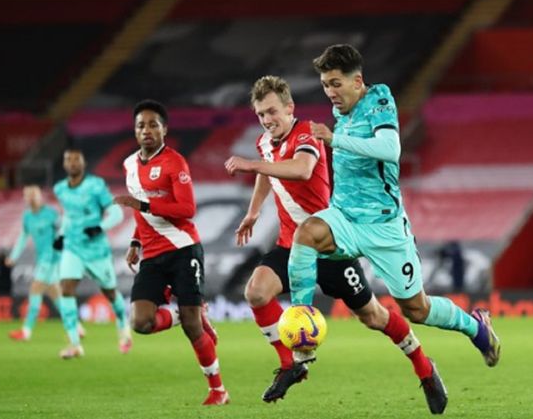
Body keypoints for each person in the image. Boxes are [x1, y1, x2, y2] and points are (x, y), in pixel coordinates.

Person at [286, 44, 501, 415]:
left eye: (335, 83)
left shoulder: (379, 99)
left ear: (358, 81)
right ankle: (302, 328)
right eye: (324, 85)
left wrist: (334, 139)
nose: (330, 93)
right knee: (305, 234)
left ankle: (475, 326)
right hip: (344, 218)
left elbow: (390, 149)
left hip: (385, 226)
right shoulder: (341, 111)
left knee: (416, 309)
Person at [225, 75, 436, 404]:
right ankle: (290, 366)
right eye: (260, 115)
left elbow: (302, 169)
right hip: (290, 245)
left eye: (272, 112)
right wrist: (253, 212)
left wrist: (251, 165)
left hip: (329, 246)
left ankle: (424, 367)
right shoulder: (264, 143)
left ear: (289, 107)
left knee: (373, 317)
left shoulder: (308, 131)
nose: (267, 120)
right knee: (255, 292)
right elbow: (267, 172)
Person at [114, 99, 229, 406]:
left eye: (153, 124)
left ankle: (218, 390)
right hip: (151, 255)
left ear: (165, 129)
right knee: (141, 322)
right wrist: (136, 242)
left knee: (193, 329)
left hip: (182, 249)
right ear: (135, 131)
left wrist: (145, 205)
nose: (147, 130)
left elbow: (187, 209)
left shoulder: (175, 163)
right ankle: (184, 314)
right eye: (141, 125)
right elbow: (142, 215)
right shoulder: (128, 165)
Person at [53, 148, 130, 359]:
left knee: (110, 293)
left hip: (96, 250)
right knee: (66, 289)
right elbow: (69, 216)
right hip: (73, 247)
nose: (72, 163)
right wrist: (61, 234)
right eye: (68, 159)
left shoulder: (95, 186)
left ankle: (123, 327)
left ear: (83, 163)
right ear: (64, 163)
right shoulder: (60, 189)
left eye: (76, 159)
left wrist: (100, 227)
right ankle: (74, 344)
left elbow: (116, 212)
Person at [7, 185, 85, 341]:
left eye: (33, 195)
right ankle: (77, 327)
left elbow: (65, 230)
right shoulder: (27, 217)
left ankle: (26, 331)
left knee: (35, 288)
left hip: (52, 258)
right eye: (27, 195)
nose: (30, 198)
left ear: (39, 196)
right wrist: (13, 256)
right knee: (55, 294)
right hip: (42, 258)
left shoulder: (51, 214)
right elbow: (23, 237)